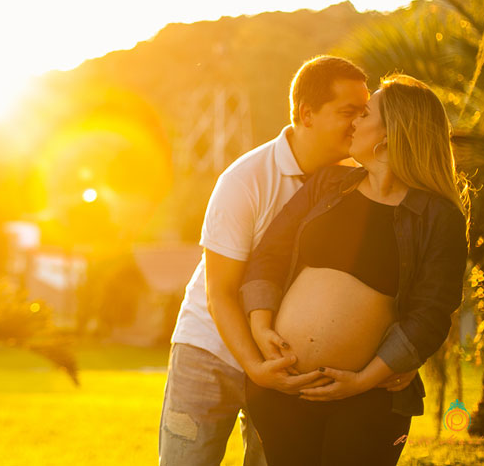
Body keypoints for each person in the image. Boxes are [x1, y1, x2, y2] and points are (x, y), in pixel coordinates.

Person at [239, 74, 470, 466]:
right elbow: (268, 256)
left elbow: (431, 313)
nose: (353, 123)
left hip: (370, 400)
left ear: (391, 132)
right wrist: (262, 331)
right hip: (285, 389)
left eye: (364, 114)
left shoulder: (437, 216)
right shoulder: (327, 183)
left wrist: (363, 381)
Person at [160, 55, 373, 465]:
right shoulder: (245, 181)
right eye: (348, 112)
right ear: (306, 114)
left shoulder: (357, 182)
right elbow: (219, 293)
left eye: (364, 113)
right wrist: (254, 366)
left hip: (290, 367)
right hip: (211, 353)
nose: (359, 123)